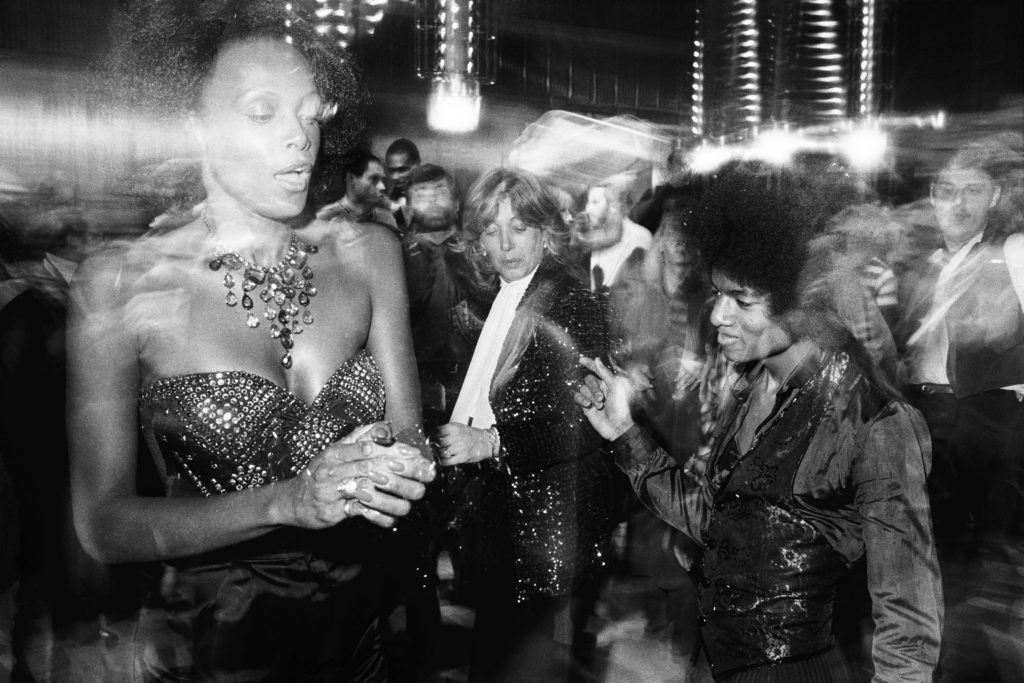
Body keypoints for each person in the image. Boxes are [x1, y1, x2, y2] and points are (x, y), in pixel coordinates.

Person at [68, 2, 435, 679]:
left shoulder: (370, 253)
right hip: (216, 646)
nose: (300, 139)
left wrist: (401, 464)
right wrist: (288, 501)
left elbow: (411, 434)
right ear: (194, 123)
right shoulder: (121, 282)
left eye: (309, 113)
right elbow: (103, 524)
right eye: (264, 113)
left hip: (362, 636)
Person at [575, 168, 943, 681]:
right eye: (719, 293)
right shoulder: (749, 387)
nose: (719, 314)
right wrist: (624, 434)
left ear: (801, 304)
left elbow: (907, 607)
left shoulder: (872, 420)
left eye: (743, 301)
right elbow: (715, 520)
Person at [434, 167, 612, 682]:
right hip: (508, 518)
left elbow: (581, 422)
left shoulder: (570, 298)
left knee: (524, 665)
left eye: (519, 227)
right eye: (491, 230)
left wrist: (490, 442)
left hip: (544, 525)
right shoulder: (511, 292)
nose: (506, 244)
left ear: (544, 230)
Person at [900, 139, 1024, 553]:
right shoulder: (921, 263)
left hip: (986, 412)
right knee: (935, 538)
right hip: (925, 411)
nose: (960, 203)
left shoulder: (1011, 251)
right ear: (933, 197)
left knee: (992, 540)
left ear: (996, 197)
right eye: (949, 191)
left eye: (974, 191)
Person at [576, 180, 652, 292]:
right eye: (588, 202)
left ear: (612, 205)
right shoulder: (595, 237)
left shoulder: (640, 236)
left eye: (595, 202)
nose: (587, 210)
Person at [317, 149, 397, 233]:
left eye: (382, 179)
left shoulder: (386, 218)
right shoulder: (326, 218)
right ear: (351, 179)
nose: (382, 187)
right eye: (374, 179)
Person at [385, 138, 422, 233]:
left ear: (417, 164)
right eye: (391, 171)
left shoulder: (432, 197)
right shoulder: (389, 199)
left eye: (402, 170)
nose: (395, 177)